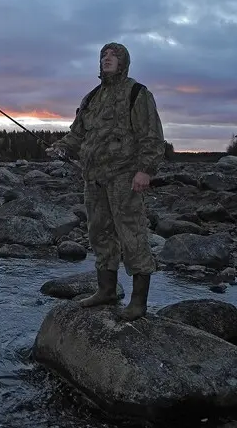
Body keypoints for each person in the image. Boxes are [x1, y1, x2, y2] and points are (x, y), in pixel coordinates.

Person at [46, 42, 166, 321]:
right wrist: (61, 147)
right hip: (93, 178)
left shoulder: (138, 93)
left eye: (114, 55)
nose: (107, 58)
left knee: (132, 234)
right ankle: (107, 290)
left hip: (125, 176)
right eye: (103, 55)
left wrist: (145, 170)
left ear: (125, 62)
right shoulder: (91, 98)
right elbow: (77, 135)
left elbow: (152, 136)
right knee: (98, 233)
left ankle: (138, 302)